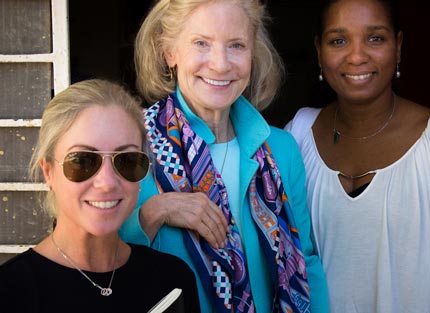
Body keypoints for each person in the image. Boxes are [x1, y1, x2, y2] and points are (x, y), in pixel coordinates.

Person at [285, 0, 430, 312]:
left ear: (398, 46)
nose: (357, 56)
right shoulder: (298, 135)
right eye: (338, 40)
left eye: (375, 38)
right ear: (319, 51)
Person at [119, 0, 329, 312]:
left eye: (236, 45)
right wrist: (154, 212)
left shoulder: (281, 148)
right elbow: (104, 268)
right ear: (169, 52)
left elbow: (305, 263)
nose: (220, 64)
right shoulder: (132, 147)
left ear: (253, 55)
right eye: (201, 43)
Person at [0, 79, 200, 313]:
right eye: (82, 161)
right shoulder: (10, 293)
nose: (106, 182)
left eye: (127, 160)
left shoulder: (172, 281)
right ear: (49, 172)